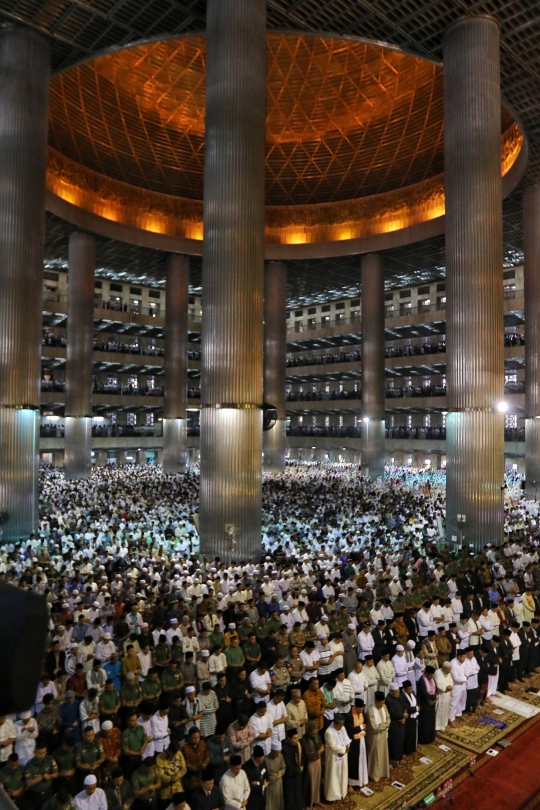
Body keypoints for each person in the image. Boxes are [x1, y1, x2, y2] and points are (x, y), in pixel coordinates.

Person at [323, 714, 351, 801]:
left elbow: (346, 739)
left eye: (342, 725)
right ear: (335, 723)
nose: (341, 727)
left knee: (343, 774)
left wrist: (347, 748)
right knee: (334, 776)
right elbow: (333, 746)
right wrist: (344, 749)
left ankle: (342, 793)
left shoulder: (342, 728)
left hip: (343, 756)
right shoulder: (329, 732)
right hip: (334, 757)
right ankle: (332, 796)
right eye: (339, 725)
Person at [365, 692, 390, 783]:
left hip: (383, 735)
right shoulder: (371, 710)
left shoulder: (384, 707)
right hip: (375, 736)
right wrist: (385, 725)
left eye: (383, 703)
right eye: (380, 703)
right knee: (375, 755)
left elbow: (388, 717)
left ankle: (383, 772)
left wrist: (387, 723)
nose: (382, 705)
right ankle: (374, 775)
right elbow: (374, 727)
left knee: (383, 752)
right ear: (375, 701)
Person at [344, 698, 368, 790]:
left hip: (361, 740)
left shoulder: (362, 713)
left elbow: (366, 723)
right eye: (360, 709)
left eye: (362, 709)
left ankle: (361, 781)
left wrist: (361, 728)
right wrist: (361, 727)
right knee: (353, 762)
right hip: (353, 742)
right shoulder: (349, 715)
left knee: (362, 760)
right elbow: (351, 731)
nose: (361, 711)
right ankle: (351, 783)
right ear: (355, 707)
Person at [156, 742, 187, 808]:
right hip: (166, 792)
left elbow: (184, 769)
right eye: (173, 754)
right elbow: (160, 776)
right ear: (169, 750)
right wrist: (171, 778)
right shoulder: (160, 758)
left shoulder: (179, 754)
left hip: (178, 789)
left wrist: (178, 775)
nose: (174, 756)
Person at [300, 722, 323, 810]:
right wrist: (319, 752)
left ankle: (316, 800)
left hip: (318, 762)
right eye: (313, 733)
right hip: (310, 764)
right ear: (308, 731)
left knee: (318, 782)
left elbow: (321, 746)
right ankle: (309, 804)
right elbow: (310, 756)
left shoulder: (317, 736)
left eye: (316, 732)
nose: (315, 734)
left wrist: (318, 752)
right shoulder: (303, 740)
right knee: (310, 784)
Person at [385, 683, 407, 767]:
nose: (398, 694)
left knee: (401, 741)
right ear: (391, 691)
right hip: (394, 725)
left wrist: (404, 713)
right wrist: (402, 716)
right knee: (395, 743)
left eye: (398, 692)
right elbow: (392, 713)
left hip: (401, 723)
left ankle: (400, 757)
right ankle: (394, 760)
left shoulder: (398, 696)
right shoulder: (388, 700)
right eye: (396, 692)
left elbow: (404, 705)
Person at [281, 729, 303, 810]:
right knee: (290, 799)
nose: (296, 740)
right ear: (289, 738)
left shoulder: (298, 745)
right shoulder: (285, 749)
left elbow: (301, 757)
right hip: (289, 777)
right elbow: (288, 765)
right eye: (294, 738)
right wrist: (298, 769)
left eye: (297, 738)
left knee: (297, 796)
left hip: (297, 775)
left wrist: (301, 766)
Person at [243, 744, 269, 810]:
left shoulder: (263, 763)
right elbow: (249, 785)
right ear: (256, 758)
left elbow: (267, 777)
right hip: (253, 800)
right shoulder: (246, 767)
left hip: (262, 799)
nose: (262, 762)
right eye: (260, 760)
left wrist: (257, 783)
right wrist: (262, 786)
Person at [416, 666, 437, 744]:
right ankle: (424, 739)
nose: (432, 677)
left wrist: (434, 699)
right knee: (425, 723)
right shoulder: (421, 681)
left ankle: (431, 737)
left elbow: (435, 689)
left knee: (431, 721)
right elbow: (424, 694)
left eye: (432, 675)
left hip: (431, 704)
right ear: (426, 674)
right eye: (430, 675)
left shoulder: (432, 679)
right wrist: (432, 698)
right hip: (424, 704)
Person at [400, 681, 419, 754]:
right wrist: (416, 709)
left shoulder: (413, 693)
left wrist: (417, 707)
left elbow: (417, 702)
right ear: (405, 689)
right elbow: (406, 708)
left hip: (414, 717)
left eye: (411, 688)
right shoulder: (402, 696)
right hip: (408, 719)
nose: (410, 690)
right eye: (409, 689)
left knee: (414, 734)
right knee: (408, 735)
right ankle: (407, 750)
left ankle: (413, 747)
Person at [265, 740, 285, 810]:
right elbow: (266, 773)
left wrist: (281, 772)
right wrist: (274, 776)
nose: (278, 755)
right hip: (271, 784)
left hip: (279, 783)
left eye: (279, 753)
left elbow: (283, 767)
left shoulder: (281, 756)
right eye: (276, 753)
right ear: (272, 750)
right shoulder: (267, 759)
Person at [434, 663, 453, 732]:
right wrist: (446, 687)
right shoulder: (437, 673)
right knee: (439, 711)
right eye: (448, 670)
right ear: (444, 668)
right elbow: (438, 684)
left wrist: (450, 687)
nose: (449, 672)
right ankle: (437, 726)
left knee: (445, 711)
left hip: (447, 695)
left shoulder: (449, 673)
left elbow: (451, 681)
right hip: (441, 695)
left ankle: (443, 725)